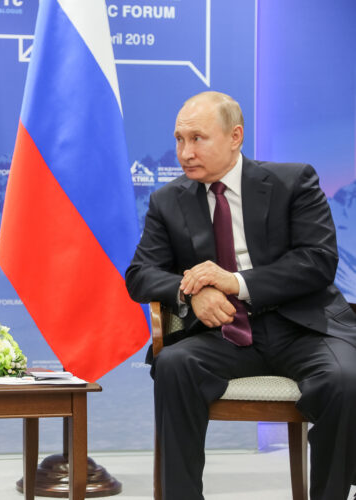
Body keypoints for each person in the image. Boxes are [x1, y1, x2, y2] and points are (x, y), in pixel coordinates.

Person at [125, 91, 356, 500]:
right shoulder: (168, 201)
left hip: (303, 328)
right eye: (179, 139)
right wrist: (189, 292)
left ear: (235, 136)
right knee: (174, 365)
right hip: (224, 335)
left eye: (197, 138)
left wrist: (235, 282)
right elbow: (140, 275)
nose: (184, 151)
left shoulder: (292, 181)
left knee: (345, 381)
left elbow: (317, 261)